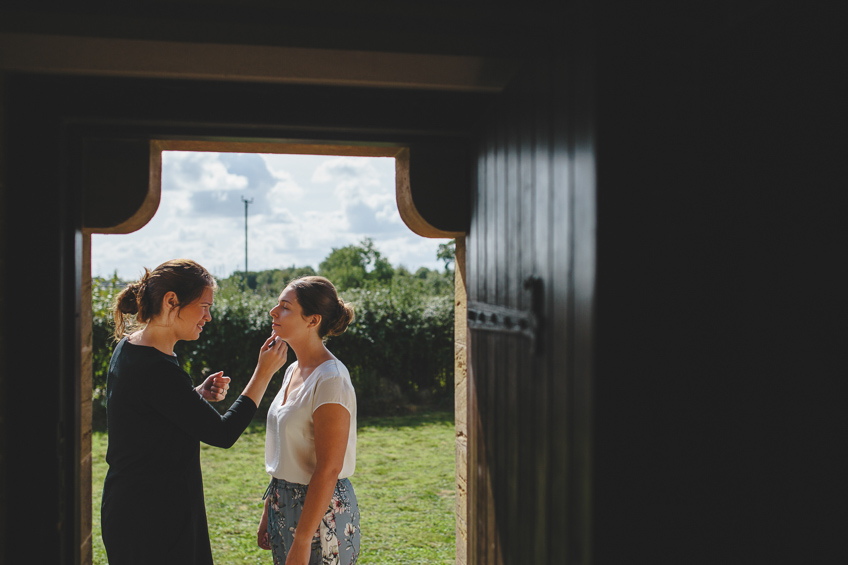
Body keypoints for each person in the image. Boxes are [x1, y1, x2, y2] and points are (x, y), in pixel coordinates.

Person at [101, 259, 289, 565]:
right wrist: (264, 373)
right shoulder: (158, 369)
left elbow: (146, 411)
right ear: (171, 301)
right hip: (154, 520)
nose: (208, 316)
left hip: (132, 508)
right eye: (203, 306)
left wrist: (193, 397)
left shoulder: (129, 348)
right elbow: (223, 433)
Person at [258, 276, 360, 565]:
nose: (273, 312)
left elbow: (329, 468)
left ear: (312, 320)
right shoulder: (292, 370)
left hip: (321, 513)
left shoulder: (331, 379)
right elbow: (286, 450)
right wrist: (269, 512)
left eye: (285, 307)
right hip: (283, 503)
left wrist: (303, 540)